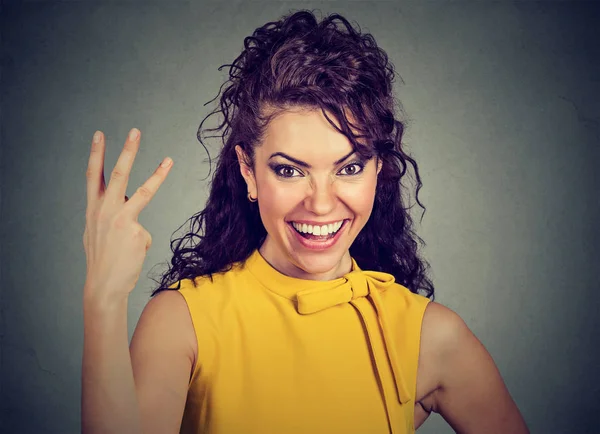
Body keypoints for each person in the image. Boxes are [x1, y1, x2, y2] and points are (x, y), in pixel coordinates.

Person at [81, 9, 529, 434]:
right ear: (248, 171)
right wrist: (104, 297)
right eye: (289, 170)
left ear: (378, 170)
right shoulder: (183, 322)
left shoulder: (430, 337)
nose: (320, 204)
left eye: (349, 167)